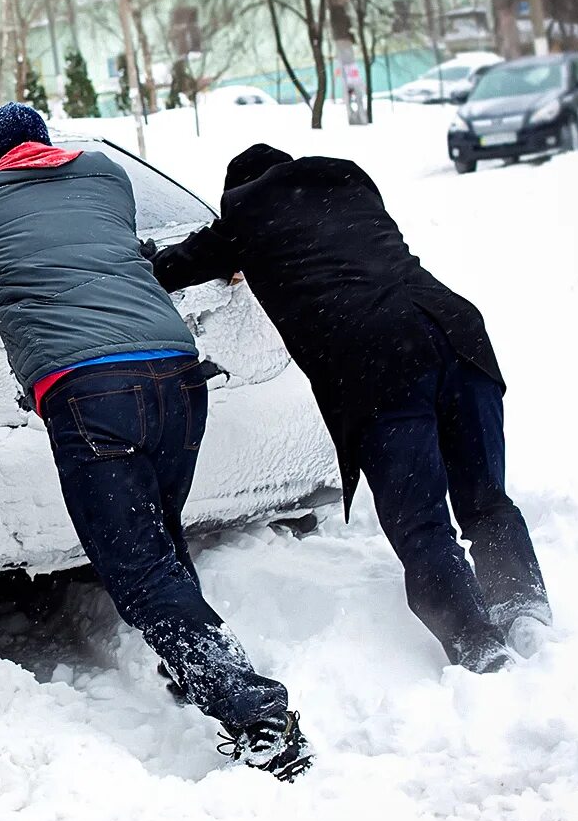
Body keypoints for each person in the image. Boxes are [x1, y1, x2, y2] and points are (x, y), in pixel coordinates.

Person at [0, 103, 311, 780]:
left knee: (137, 570)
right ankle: (198, 667)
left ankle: (254, 713)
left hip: (92, 393)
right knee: (158, 537)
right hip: (180, 379)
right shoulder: (106, 177)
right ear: (47, 146)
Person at [151, 144, 546, 669]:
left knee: (421, 521)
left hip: (379, 360)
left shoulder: (245, 216)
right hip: (456, 332)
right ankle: (523, 608)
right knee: (485, 497)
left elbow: (170, 268)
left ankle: (477, 644)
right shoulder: (349, 181)